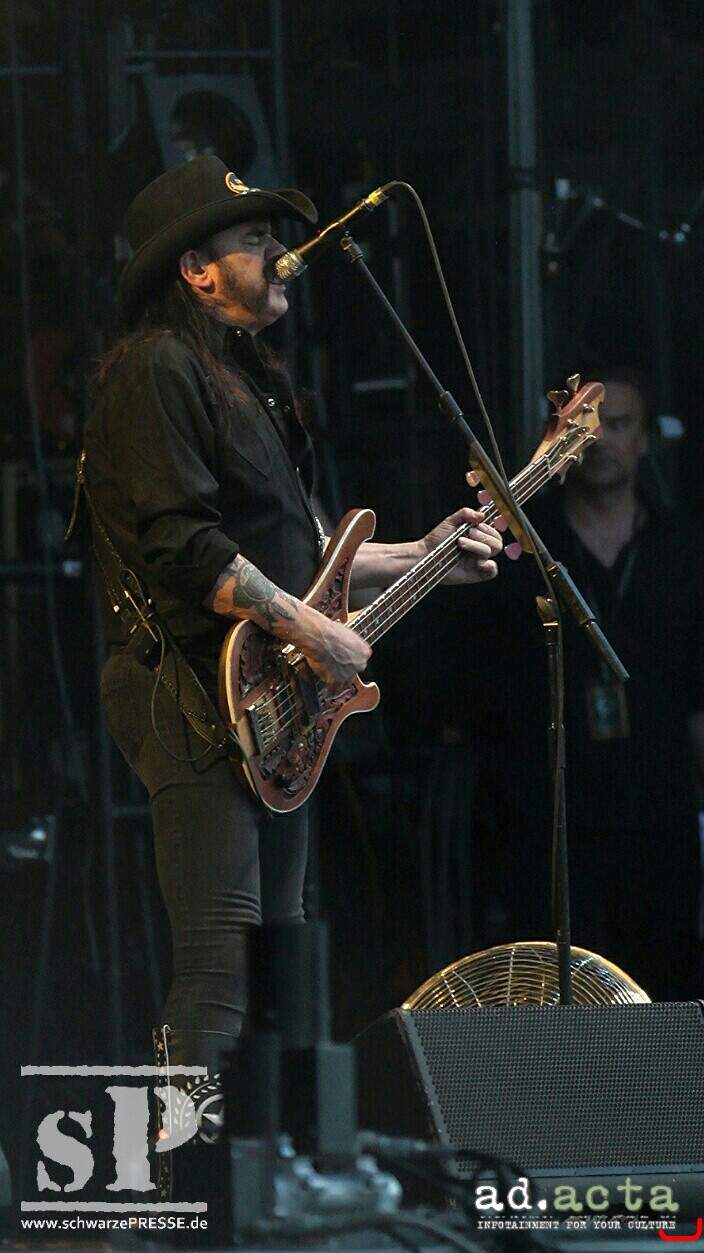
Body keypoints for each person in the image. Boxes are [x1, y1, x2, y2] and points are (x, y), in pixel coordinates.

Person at [82, 155, 503, 1094]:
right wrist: (313, 633)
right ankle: (192, 1164)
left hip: (262, 690)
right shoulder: (157, 368)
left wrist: (425, 552)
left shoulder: (245, 378)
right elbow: (185, 547)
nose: (281, 253)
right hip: (188, 687)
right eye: (255, 238)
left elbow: (306, 554)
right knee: (221, 957)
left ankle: (270, 1159)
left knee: (284, 949)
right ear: (197, 270)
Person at [465, 366, 704, 999]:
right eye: (585, 428)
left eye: (617, 424)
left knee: (665, 991)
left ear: (645, 439)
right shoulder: (523, 547)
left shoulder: (682, 549)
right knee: (558, 996)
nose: (600, 442)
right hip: (550, 819)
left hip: (660, 813)